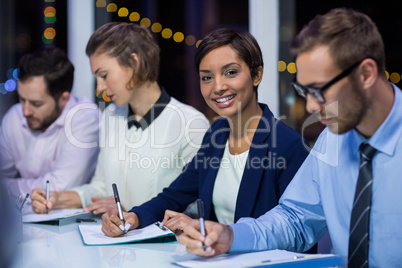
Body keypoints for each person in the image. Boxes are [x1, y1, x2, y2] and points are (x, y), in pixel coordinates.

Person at [178, 7, 402, 267]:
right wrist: (230, 235)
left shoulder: (292, 142)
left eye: (319, 90)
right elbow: (295, 219)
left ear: (365, 74)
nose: (309, 108)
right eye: (304, 91)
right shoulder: (332, 141)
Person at [100, 28, 310, 243]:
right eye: (207, 77)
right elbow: (176, 194)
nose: (217, 87)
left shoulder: (289, 146)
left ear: (256, 75)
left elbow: (296, 233)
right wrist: (134, 217)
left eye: (231, 72)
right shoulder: (217, 135)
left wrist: (208, 230)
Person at [30, 22, 209, 215]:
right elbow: (101, 188)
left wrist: (132, 213)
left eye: (104, 75)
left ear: (134, 62)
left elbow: (197, 207)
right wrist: (57, 198)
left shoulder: (191, 123)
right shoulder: (111, 116)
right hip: (114, 242)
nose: (100, 88)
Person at [0, 46, 100, 200]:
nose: (25, 111)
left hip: (72, 220)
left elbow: (60, 186)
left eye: (36, 104)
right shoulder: (14, 116)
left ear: (64, 99)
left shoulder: (85, 117)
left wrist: (10, 187)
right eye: (21, 99)